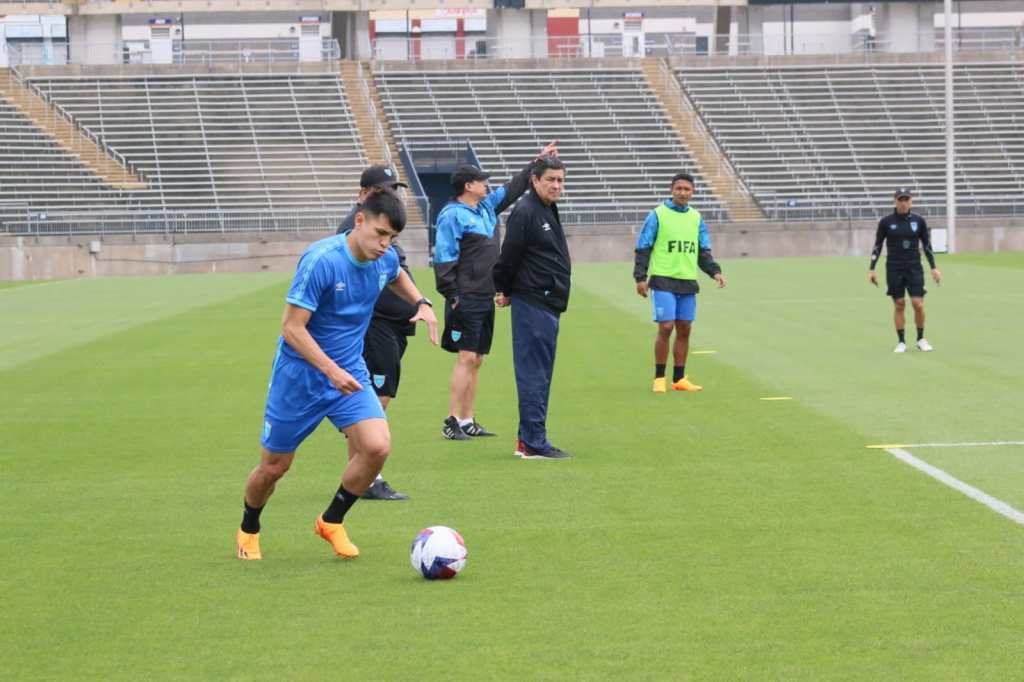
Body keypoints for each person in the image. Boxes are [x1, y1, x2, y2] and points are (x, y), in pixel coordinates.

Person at [236, 187, 438, 561]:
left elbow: (396, 273)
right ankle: (249, 527)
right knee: (274, 467)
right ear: (359, 220)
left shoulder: (384, 258)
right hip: (300, 376)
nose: (384, 244)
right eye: (379, 234)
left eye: (391, 238)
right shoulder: (322, 261)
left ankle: (331, 521)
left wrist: (422, 303)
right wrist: (329, 370)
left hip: (349, 371)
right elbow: (291, 329)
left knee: (377, 446)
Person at [433, 140, 559, 441]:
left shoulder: (485, 207)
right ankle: (451, 420)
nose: (487, 185)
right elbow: (444, 257)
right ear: (468, 186)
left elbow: (513, 188)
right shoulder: (452, 216)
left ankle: (467, 419)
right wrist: (453, 295)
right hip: (465, 295)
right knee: (465, 356)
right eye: (481, 181)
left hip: (484, 293)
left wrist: (536, 162)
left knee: (477, 358)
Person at [337, 165, 415, 500]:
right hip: (375, 326)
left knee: (374, 403)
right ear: (362, 196)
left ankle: (362, 475)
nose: (391, 195)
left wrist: (419, 303)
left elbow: (394, 272)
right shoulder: (353, 232)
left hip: (390, 327)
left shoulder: (382, 229)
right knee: (370, 406)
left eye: (394, 189)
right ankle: (366, 478)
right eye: (382, 189)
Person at [493, 155, 572, 460]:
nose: (556, 186)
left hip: (547, 302)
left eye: (561, 180)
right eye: (550, 179)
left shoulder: (546, 208)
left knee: (539, 372)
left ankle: (527, 438)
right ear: (535, 180)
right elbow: (508, 256)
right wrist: (504, 289)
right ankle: (534, 442)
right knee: (534, 374)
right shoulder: (525, 211)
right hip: (534, 302)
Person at [633, 173, 726, 393]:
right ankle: (659, 378)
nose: (683, 192)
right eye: (679, 188)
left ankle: (679, 379)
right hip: (663, 280)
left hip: (687, 281)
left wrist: (715, 272)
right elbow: (643, 246)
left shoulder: (696, 218)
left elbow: (703, 251)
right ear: (671, 190)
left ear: (692, 192)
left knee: (684, 329)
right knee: (666, 327)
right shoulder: (657, 215)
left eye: (687, 189)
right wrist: (640, 277)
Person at [869, 188, 941, 353]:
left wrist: (934, 268)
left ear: (911, 201)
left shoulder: (919, 221)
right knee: (899, 304)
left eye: (906, 199)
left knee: (918, 303)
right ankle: (901, 341)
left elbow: (927, 246)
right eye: (900, 199)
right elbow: (878, 246)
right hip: (894, 267)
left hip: (914, 267)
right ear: (895, 201)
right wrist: (872, 269)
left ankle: (921, 339)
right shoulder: (886, 222)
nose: (903, 203)